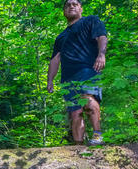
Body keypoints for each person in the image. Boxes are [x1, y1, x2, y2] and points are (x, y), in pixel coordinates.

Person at [47, 0, 108, 145]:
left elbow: (102, 36)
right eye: (67, 5)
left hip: (88, 69)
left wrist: (101, 54)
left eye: (75, 4)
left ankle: (97, 136)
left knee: (88, 99)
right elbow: (55, 59)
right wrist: (50, 80)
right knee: (75, 112)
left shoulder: (90, 21)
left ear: (81, 8)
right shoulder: (61, 37)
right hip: (68, 78)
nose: (71, 6)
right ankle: (78, 147)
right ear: (64, 12)